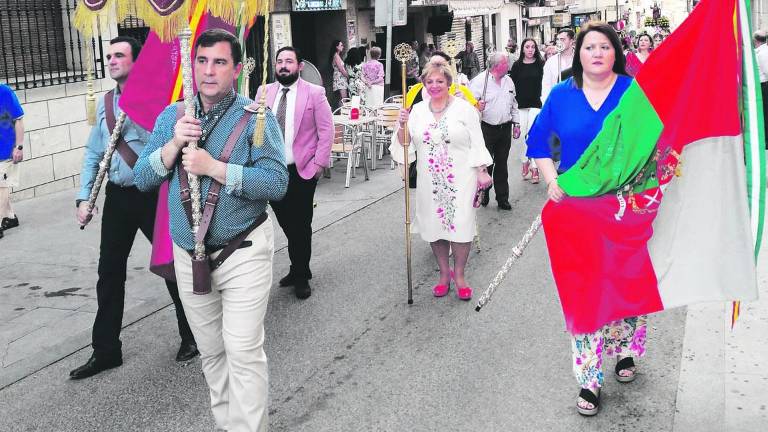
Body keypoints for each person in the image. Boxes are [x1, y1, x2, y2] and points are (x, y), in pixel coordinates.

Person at [133, 29, 288, 431]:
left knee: (242, 350)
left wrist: (214, 168)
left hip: (243, 249)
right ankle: (227, 425)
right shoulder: (173, 116)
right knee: (212, 352)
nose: (208, 71)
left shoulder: (255, 117)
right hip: (190, 256)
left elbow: (276, 182)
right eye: (202, 61)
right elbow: (141, 178)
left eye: (219, 62)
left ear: (236, 69)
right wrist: (172, 148)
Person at [525, 22, 643, 417]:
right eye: (589, 46)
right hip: (577, 212)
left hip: (624, 208)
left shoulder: (632, 95)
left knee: (624, 283)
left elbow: (653, 143)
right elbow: (538, 143)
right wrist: (551, 180)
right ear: (578, 54)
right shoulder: (562, 95)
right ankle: (589, 378)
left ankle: (624, 350)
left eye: (604, 46)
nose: (596, 53)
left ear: (616, 53)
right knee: (583, 291)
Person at [69, 36, 198, 380]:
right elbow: (95, 153)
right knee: (109, 272)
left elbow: (167, 143)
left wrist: (139, 109)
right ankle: (106, 349)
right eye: (108, 56)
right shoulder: (105, 104)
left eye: (118, 55)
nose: (110, 60)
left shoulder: (159, 99)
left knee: (170, 264)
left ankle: (192, 334)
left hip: (152, 193)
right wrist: (85, 198)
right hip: (118, 195)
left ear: (135, 62)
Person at [390, 62, 492, 300]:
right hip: (430, 179)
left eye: (440, 81)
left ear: (449, 83)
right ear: (424, 85)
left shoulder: (465, 110)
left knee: (462, 225)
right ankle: (444, 274)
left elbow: (477, 142)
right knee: (434, 227)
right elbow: (405, 144)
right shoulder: (416, 112)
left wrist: (482, 171)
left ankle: (459, 275)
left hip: (461, 177)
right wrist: (402, 124)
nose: (435, 86)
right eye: (430, 82)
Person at [258, 46, 333, 299]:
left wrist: (318, 166)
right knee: (287, 224)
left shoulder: (315, 93)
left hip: (301, 171)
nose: (283, 66)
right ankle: (297, 265)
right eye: (279, 61)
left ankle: (301, 275)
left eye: (289, 61)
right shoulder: (263, 92)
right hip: (271, 171)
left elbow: (326, 131)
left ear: (299, 66)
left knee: (301, 225)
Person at [469, 53, 521, 210]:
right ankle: (484, 192)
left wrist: (516, 123)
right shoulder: (479, 82)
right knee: (486, 163)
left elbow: (514, 104)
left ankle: (502, 198)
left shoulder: (509, 81)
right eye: (506, 63)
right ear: (498, 66)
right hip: (486, 128)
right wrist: (477, 106)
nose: (509, 65)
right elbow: (467, 107)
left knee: (502, 164)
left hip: (504, 128)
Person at [509, 38, 545, 184]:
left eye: (532, 47)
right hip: (521, 105)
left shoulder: (541, 64)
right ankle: (525, 161)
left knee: (533, 135)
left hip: (536, 104)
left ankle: (535, 168)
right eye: (527, 47)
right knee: (523, 135)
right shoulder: (517, 66)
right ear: (522, 49)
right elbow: (511, 86)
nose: (530, 49)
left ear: (535, 49)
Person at [405, 51, 478, 109]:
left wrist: (464, 101)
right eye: (432, 64)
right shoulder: (415, 90)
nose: (436, 69)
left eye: (441, 65)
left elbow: (477, 116)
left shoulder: (461, 90)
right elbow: (403, 116)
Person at [0, 83, 23, 239]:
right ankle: (10, 217)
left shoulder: (5, 91)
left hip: (6, 149)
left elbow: (19, 120)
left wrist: (19, 147)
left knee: (2, 185)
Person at [542, 28, 576, 103]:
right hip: (557, 103)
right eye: (558, 39)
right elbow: (546, 86)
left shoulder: (581, 60)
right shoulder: (551, 62)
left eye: (563, 39)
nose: (559, 42)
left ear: (571, 41)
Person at [754, 30, 768, 148]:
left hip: (764, 86)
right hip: (762, 86)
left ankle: (766, 141)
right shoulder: (760, 51)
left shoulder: (763, 53)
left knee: (765, 114)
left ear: (756, 40)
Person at [330, 40, 349, 107]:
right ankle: (341, 112)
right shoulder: (336, 56)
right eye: (341, 45)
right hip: (340, 79)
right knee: (344, 98)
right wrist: (348, 76)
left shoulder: (337, 55)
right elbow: (341, 69)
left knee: (342, 98)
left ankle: (340, 111)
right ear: (337, 47)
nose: (343, 47)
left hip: (340, 78)